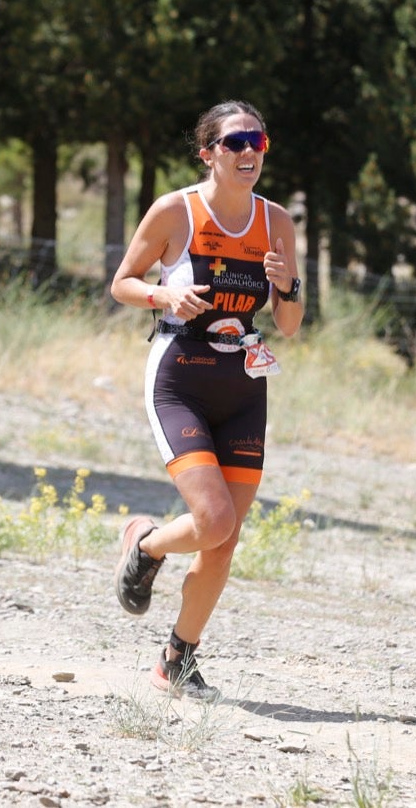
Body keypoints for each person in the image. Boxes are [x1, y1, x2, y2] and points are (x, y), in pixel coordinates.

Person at [108, 101, 304, 701]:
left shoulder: (277, 224)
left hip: (243, 385)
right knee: (213, 520)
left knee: (226, 537)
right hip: (180, 378)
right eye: (235, 142)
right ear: (209, 153)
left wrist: (285, 283)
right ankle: (144, 545)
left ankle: (177, 660)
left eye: (258, 142)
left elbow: (290, 323)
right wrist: (164, 296)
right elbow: (122, 283)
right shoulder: (176, 211)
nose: (249, 153)